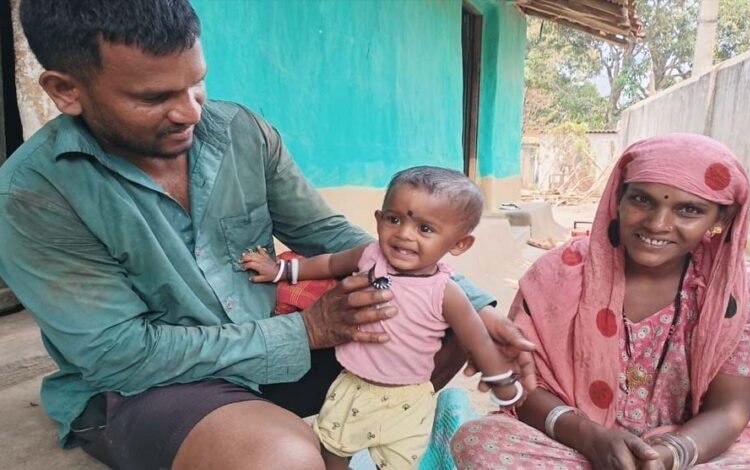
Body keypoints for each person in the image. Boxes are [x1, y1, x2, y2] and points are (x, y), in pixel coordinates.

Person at [0, 1, 536, 469]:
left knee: (443, 323)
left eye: (196, 83)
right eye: (154, 97)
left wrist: (474, 306)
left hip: (273, 350)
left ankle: (357, 430)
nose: (189, 112)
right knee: (282, 458)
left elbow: (325, 232)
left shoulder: (240, 132)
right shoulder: (33, 194)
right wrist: (303, 332)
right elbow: (119, 354)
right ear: (66, 91)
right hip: (151, 385)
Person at [451, 133, 750, 469]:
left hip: (690, 448)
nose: (658, 224)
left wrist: (667, 456)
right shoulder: (560, 272)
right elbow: (525, 387)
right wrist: (589, 437)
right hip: (572, 443)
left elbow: (730, 410)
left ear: (721, 218)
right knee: (479, 441)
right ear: (618, 199)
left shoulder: (738, 288)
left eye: (689, 210)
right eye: (642, 200)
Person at [241, 166, 524, 469]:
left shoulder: (446, 293)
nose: (404, 234)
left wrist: (503, 383)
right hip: (352, 386)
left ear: (459, 243)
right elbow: (330, 263)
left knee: (399, 463)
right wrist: (281, 271)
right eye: (394, 219)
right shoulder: (370, 256)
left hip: (408, 401)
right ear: (379, 219)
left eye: (425, 229)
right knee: (332, 451)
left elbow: (479, 342)